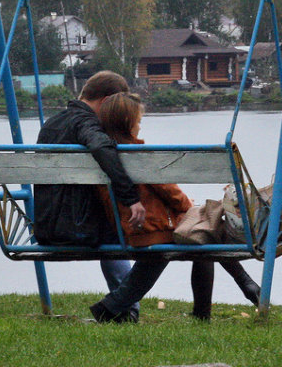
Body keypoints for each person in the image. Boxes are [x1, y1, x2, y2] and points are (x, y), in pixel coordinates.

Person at [93, 92, 261, 322]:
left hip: (129, 229)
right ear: (128, 123)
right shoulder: (138, 154)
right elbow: (170, 192)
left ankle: (112, 306)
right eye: (139, 121)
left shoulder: (104, 155)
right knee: (204, 231)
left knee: (201, 233)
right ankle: (236, 289)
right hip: (154, 230)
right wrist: (187, 205)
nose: (140, 127)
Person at [32, 72, 145, 321]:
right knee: (146, 231)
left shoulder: (52, 123)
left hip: (47, 226)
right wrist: (131, 198)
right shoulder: (86, 123)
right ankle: (125, 307)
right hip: (78, 229)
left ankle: (124, 306)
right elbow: (99, 145)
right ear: (106, 101)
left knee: (115, 224)